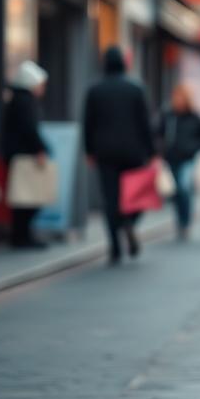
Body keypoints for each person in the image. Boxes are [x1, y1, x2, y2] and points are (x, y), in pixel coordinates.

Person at [83, 46, 155, 265]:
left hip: (105, 153)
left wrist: (89, 151)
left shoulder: (94, 91)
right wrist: (152, 151)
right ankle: (129, 222)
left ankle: (115, 247)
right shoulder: (136, 89)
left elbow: (88, 123)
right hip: (134, 151)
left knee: (110, 200)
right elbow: (146, 123)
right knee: (136, 197)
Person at [0, 60, 51, 250]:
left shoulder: (17, 99)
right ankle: (22, 237)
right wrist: (40, 148)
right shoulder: (25, 101)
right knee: (28, 198)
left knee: (23, 198)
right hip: (24, 156)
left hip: (16, 154)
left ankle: (20, 236)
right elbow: (29, 129)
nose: (43, 88)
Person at [156, 83, 200, 241]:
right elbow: (157, 132)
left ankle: (185, 221)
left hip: (187, 159)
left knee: (184, 187)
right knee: (175, 191)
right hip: (170, 159)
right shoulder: (168, 115)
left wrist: (194, 147)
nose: (178, 101)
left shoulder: (194, 117)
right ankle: (180, 219)